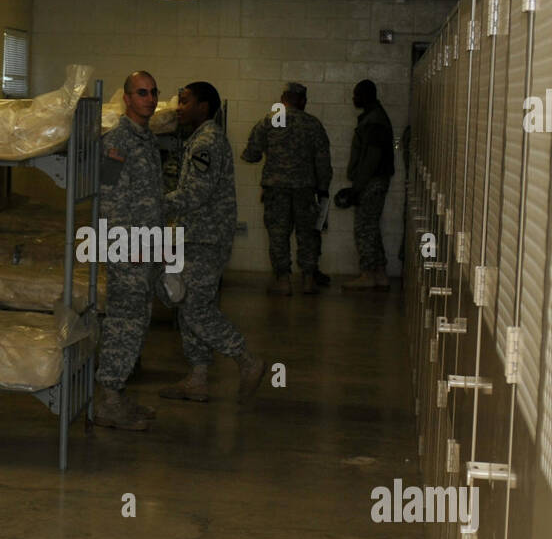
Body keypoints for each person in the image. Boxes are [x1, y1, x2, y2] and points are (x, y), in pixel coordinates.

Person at [159, 81, 266, 403]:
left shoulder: (206, 142)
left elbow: (196, 193)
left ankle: (246, 360)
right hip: (195, 234)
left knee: (194, 307)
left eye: (185, 101)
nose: (179, 107)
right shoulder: (199, 138)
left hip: (205, 237)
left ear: (203, 107)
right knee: (187, 303)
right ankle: (198, 377)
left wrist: (155, 204)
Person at [94, 70, 165, 431]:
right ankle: (108, 400)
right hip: (129, 249)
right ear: (127, 98)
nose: (150, 99)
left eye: (153, 92)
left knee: (137, 322)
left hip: (148, 246)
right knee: (123, 323)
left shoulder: (147, 140)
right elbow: (109, 201)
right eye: (142, 93)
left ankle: (118, 394)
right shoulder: (117, 142)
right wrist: (126, 246)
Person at [240, 81, 332, 296]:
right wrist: (323, 189)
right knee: (308, 234)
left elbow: (251, 155)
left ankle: (283, 280)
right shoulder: (313, 124)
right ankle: (308, 280)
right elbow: (323, 162)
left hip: (276, 189)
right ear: (300, 100)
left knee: (278, 235)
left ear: (283, 99)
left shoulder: (269, 121)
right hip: (306, 189)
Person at [338, 79, 395, 290]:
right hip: (374, 181)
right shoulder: (374, 117)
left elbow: (371, 158)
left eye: (357, 95)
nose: (354, 99)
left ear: (367, 96)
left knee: (364, 228)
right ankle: (379, 273)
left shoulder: (374, 121)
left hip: (371, 182)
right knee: (371, 228)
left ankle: (368, 274)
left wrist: (357, 187)